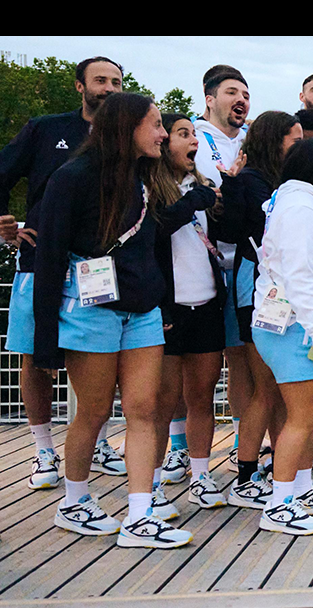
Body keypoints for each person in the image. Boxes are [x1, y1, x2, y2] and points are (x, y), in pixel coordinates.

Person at [34, 93, 192, 549]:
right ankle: (74, 501)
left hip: (143, 312)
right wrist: (46, 339)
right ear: (126, 128)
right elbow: (49, 257)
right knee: (96, 410)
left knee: (145, 410)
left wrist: (164, 303)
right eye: (157, 125)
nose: (163, 134)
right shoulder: (73, 177)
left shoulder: (145, 178)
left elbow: (154, 244)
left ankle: (140, 515)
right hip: (90, 310)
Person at [1, 56, 129, 489]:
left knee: (103, 359)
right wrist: (6, 224)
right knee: (35, 358)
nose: (109, 88)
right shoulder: (44, 128)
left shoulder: (128, 139)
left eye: (116, 81)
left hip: (102, 270)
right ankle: (42, 450)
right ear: (79, 86)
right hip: (41, 262)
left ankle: (99, 444)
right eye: (100, 80)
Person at [251, 138, 313, 535]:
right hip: (296, 326)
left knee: (311, 413)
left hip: (297, 323)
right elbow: (298, 275)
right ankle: (278, 504)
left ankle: (302, 487)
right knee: (304, 416)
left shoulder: (302, 199)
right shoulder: (300, 206)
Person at [219, 112, 302, 508]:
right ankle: (246, 476)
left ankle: (281, 469)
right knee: (264, 387)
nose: (298, 145)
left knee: (280, 390)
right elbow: (234, 228)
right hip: (257, 289)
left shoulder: (283, 183)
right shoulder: (251, 180)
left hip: (280, 293)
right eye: (293, 137)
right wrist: (231, 185)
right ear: (274, 140)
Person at [148, 114, 229, 517]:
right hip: (168, 308)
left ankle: (201, 475)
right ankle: (155, 484)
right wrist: (190, 203)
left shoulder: (203, 187)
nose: (193, 141)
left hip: (208, 304)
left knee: (202, 396)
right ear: (163, 142)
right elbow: (153, 232)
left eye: (194, 134)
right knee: (162, 402)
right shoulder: (149, 188)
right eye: (183, 134)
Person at [193, 67, 252, 467]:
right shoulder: (193, 137)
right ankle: (182, 450)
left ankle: (243, 442)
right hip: (200, 268)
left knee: (241, 358)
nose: (241, 100)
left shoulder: (252, 141)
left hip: (244, 265)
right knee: (197, 366)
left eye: (246, 94)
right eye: (232, 92)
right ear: (210, 98)